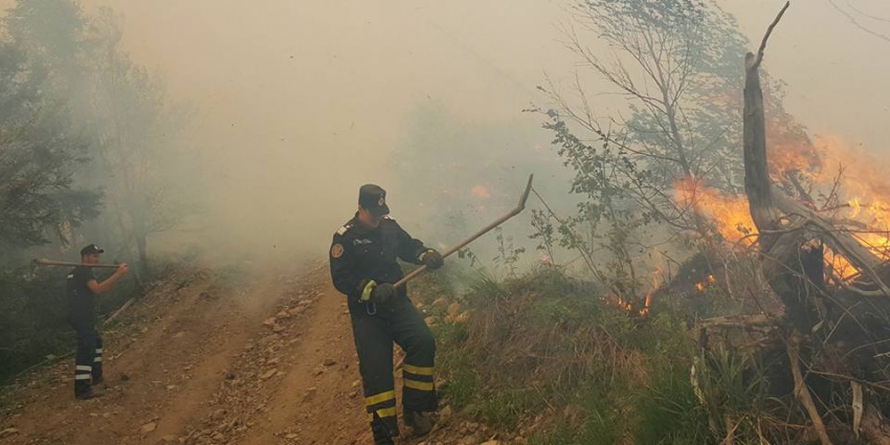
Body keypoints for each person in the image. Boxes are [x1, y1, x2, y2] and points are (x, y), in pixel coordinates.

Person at [329, 184, 445, 444]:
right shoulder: (345, 237)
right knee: (377, 372)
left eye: (381, 212)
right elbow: (341, 278)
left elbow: (407, 246)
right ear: (360, 208)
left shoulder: (389, 225)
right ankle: (383, 434)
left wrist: (424, 254)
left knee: (423, 342)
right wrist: (369, 289)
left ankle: (416, 410)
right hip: (369, 314)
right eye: (373, 213)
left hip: (398, 305)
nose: (378, 218)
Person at [67, 244, 129, 400]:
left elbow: (94, 289)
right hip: (82, 317)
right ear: (86, 257)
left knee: (96, 342)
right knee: (87, 348)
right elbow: (98, 289)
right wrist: (118, 274)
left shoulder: (76, 272)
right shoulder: (83, 271)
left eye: (98, 256)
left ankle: (97, 376)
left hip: (80, 316)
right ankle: (82, 390)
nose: (97, 259)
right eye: (94, 256)